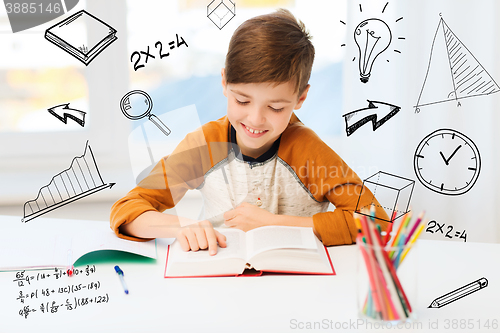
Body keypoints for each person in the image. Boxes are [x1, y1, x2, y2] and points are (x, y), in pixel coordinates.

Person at [110, 8, 389, 255]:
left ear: (301, 98)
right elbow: (127, 209)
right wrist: (184, 226)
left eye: (277, 107)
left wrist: (274, 224)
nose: (255, 119)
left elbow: (376, 222)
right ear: (224, 82)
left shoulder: (308, 150)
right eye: (242, 100)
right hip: (220, 279)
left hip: (300, 286)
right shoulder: (207, 144)